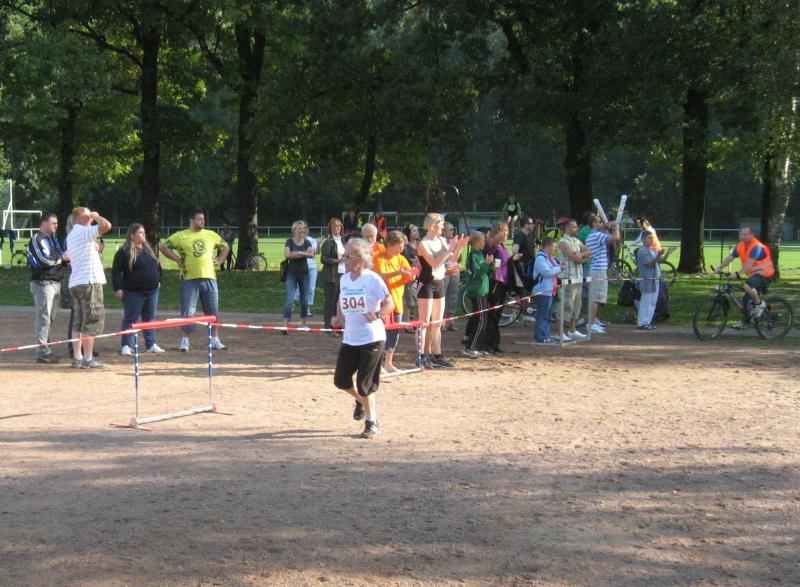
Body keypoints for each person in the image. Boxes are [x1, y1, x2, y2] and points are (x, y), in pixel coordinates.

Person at [332, 238, 394, 439]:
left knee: (365, 384)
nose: (345, 259)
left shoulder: (372, 279)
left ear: (361, 258)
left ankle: (371, 421)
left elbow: (389, 303)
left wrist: (377, 315)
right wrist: (338, 317)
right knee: (341, 380)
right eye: (344, 255)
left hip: (372, 338)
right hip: (351, 338)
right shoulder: (344, 279)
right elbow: (341, 299)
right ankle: (359, 400)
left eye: (348, 256)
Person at [159, 209, 230, 351]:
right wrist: (177, 259)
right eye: (199, 219)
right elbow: (163, 246)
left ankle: (215, 340)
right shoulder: (181, 236)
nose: (202, 221)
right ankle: (185, 340)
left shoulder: (211, 234)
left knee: (213, 311)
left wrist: (220, 260)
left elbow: (226, 247)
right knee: (188, 311)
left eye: (203, 219)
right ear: (191, 220)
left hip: (209, 278)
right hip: (189, 279)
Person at [417, 213, 468, 368]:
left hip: (439, 282)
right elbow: (434, 263)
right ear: (433, 225)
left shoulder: (440, 240)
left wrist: (459, 247)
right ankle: (421, 356)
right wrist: (450, 249)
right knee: (424, 323)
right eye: (440, 224)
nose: (443, 226)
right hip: (426, 283)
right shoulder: (423, 243)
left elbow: (451, 260)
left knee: (437, 323)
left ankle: (436, 355)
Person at [66, 207, 112, 369]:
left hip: (76, 282)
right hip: (89, 282)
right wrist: (96, 216)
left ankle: (77, 358)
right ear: (79, 217)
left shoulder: (72, 234)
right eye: (88, 215)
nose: (91, 218)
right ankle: (88, 359)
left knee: (78, 322)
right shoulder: (83, 231)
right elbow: (106, 225)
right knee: (91, 320)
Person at [112, 223, 164, 355]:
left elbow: (158, 266)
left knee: (150, 317)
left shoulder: (149, 250)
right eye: (141, 232)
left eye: (144, 232)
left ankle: (151, 344)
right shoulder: (124, 251)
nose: (144, 235)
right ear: (132, 235)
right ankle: (125, 345)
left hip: (152, 291)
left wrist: (159, 280)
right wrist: (117, 288)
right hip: (133, 292)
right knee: (131, 318)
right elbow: (116, 271)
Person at [715, 226, 775, 329]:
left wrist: (739, 274)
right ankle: (747, 321)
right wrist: (720, 267)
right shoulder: (740, 245)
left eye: (745, 234)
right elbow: (730, 257)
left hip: (765, 274)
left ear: (752, 235)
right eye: (741, 234)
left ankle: (759, 305)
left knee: (747, 285)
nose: (742, 236)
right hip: (754, 275)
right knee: (746, 299)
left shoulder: (757, 246)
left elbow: (750, 263)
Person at [373, 231, 416, 371]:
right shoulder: (378, 257)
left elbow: (408, 276)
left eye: (403, 246)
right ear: (390, 244)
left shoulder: (401, 259)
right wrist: (397, 273)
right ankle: (377, 364)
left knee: (394, 334)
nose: (401, 249)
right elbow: (379, 276)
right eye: (399, 246)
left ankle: (388, 362)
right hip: (382, 303)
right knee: (380, 333)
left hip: (397, 301)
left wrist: (412, 274)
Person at [27, 212, 67, 363]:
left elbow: (59, 258)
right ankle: (43, 352)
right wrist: (61, 259)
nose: (56, 226)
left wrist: (63, 259)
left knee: (49, 318)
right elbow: (42, 260)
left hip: (55, 282)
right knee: (43, 317)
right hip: (43, 283)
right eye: (53, 223)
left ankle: (46, 348)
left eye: (57, 223)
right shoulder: (36, 239)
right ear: (44, 223)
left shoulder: (53, 239)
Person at [483, 221, 521, 353]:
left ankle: (495, 342)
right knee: (492, 313)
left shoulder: (503, 246)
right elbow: (492, 244)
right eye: (504, 231)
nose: (506, 233)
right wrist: (501, 232)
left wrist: (514, 258)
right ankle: (488, 343)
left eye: (507, 231)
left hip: (504, 283)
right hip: (495, 281)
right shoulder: (492, 244)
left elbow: (506, 262)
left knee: (498, 314)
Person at [584, 216, 620, 334]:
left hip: (598, 269)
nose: (602, 223)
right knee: (596, 298)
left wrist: (606, 227)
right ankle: (591, 324)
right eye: (599, 222)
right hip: (598, 270)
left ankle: (593, 321)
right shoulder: (596, 235)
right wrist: (616, 227)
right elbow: (615, 238)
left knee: (599, 299)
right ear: (594, 224)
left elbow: (606, 235)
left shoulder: (593, 235)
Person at [558, 219, 591, 340]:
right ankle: (560, 332)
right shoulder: (563, 242)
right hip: (568, 278)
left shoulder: (576, 241)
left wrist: (581, 257)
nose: (577, 229)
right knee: (566, 305)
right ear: (567, 228)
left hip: (578, 278)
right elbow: (576, 258)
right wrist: (582, 258)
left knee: (577, 305)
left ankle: (572, 330)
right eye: (574, 227)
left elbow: (588, 251)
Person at [462, 231, 494, 358]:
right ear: (476, 242)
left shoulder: (480, 255)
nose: (485, 242)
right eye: (483, 240)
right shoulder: (473, 256)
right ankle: (471, 347)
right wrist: (486, 264)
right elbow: (475, 274)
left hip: (483, 290)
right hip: (477, 291)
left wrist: (491, 268)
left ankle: (478, 346)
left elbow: (484, 272)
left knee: (482, 319)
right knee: (481, 320)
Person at [636, 232, 676, 330]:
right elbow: (650, 263)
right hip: (648, 280)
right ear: (643, 239)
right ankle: (642, 322)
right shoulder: (642, 250)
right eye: (649, 238)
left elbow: (661, 260)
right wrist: (658, 255)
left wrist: (667, 253)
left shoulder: (652, 250)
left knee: (652, 302)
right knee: (646, 301)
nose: (651, 240)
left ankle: (648, 322)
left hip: (655, 280)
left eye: (652, 238)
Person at [280, 220, 314, 333]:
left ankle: (303, 323)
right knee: (289, 299)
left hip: (304, 274)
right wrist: (303, 254)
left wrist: (299, 253)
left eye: (303, 228)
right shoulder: (289, 241)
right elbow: (287, 255)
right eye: (299, 228)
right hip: (291, 274)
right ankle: (285, 324)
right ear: (294, 230)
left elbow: (311, 254)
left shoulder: (307, 242)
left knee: (304, 300)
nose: (302, 230)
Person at [532, 238, 565, 343]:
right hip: (543, 290)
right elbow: (546, 272)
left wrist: (560, 267)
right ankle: (541, 336)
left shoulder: (550, 258)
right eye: (553, 247)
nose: (554, 249)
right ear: (547, 246)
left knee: (547, 314)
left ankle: (545, 335)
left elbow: (555, 269)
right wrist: (560, 268)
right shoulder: (540, 258)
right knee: (543, 314)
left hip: (551, 290)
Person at [320, 218, 346, 333]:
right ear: (330, 229)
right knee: (330, 301)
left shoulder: (343, 241)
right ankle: (328, 325)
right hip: (331, 276)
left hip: (343, 274)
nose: (337, 228)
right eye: (334, 226)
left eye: (339, 226)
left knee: (339, 301)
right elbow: (324, 259)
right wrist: (338, 260)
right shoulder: (328, 242)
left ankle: (337, 323)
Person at [441, 222, 462, 331]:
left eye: (452, 229)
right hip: (444, 270)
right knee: (443, 295)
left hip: (455, 270)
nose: (452, 232)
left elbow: (459, 258)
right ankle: (442, 321)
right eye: (450, 230)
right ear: (443, 231)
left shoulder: (454, 242)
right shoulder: (440, 243)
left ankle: (451, 321)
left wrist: (459, 247)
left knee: (453, 295)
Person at [294, 225, 318, 314]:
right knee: (301, 287)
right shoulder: (296, 240)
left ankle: (307, 308)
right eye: (302, 229)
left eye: (306, 229)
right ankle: (293, 300)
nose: (304, 231)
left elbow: (315, 253)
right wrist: (305, 253)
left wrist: (318, 244)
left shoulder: (312, 240)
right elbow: (296, 253)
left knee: (311, 289)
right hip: (301, 267)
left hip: (312, 267)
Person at [401, 224, 420, 326]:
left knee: (419, 301)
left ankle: (416, 323)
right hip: (410, 276)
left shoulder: (420, 244)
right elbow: (407, 260)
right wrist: (415, 261)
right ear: (409, 233)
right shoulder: (406, 247)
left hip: (420, 276)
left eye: (417, 230)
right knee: (408, 302)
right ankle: (407, 324)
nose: (417, 232)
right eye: (414, 231)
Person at [512, 216, 537, 288]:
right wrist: (518, 261)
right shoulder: (520, 235)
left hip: (531, 266)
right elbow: (514, 249)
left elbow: (533, 249)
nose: (533, 225)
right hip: (523, 267)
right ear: (526, 224)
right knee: (524, 288)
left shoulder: (530, 235)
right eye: (531, 223)